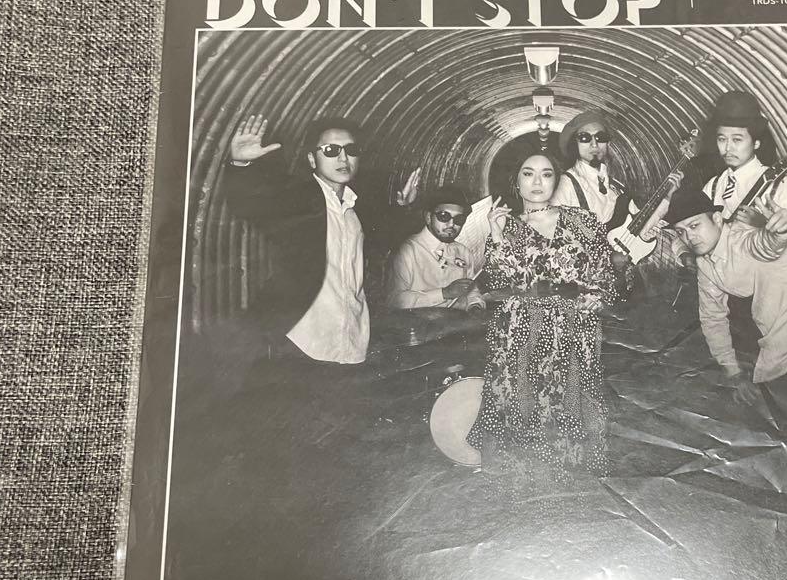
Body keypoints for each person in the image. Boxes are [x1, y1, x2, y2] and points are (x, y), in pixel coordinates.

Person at [221, 113, 420, 364]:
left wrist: (402, 208)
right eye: (331, 150)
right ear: (311, 159)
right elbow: (253, 204)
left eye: (351, 150)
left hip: (352, 338)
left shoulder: (356, 207)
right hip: (303, 343)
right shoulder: (298, 199)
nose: (343, 158)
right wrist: (241, 165)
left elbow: (381, 241)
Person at [466, 152, 618, 476]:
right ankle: (526, 477)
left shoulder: (582, 220)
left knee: (573, 397)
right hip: (522, 327)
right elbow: (500, 283)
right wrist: (496, 235)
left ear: (556, 180)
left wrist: (596, 295)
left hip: (574, 325)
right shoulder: (506, 226)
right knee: (522, 399)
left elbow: (605, 270)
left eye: (546, 174)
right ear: (516, 182)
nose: (537, 182)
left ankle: (572, 476)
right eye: (528, 173)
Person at [667, 187, 787, 412]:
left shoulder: (741, 238)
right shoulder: (705, 264)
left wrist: (782, 231)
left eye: (694, 226)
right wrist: (733, 373)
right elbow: (713, 320)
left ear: (717, 219)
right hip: (780, 345)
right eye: (681, 232)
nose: (689, 237)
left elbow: (764, 244)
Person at [553, 108, 681, 289]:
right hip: (584, 285)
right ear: (574, 144)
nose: (594, 143)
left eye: (601, 137)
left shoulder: (616, 186)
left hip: (621, 281)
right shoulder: (565, 185)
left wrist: (668, 195)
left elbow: (641, 226)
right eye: (585, 137)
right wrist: (607, 258)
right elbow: (555, 243)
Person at [697, 91, 787, 262]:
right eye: (722, 139)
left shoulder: (782, 187)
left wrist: (764, 227)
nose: (727, 148)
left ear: (756, 142)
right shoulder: (713, 186)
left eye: (737, 140)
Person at [386, 186, 485, 311]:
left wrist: (475, 305)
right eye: (444, 216)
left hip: (457, 322)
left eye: (459, 219)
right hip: (416, 323)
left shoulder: (463, 252)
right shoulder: (407, 251)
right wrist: (444, 293)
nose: (451, 224)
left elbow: (472, 292)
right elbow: (394, 300)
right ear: (428, 217)